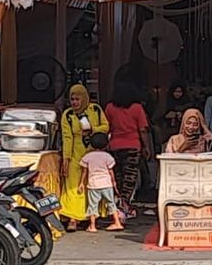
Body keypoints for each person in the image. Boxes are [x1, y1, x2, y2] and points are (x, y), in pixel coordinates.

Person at [60, 84, 110, 231]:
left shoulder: (95, 110)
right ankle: (73, 218)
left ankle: (91, 217)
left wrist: (92, 130)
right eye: (72, 99)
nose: (74, 102)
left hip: (94, 152)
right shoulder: (68, 115)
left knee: (92, 184)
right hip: (76, 153)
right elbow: (67, 138)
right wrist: (66, 159)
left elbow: (106, 127)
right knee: (73, 185)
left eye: (77, 99)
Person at [104, 82, 152, 217]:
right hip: (133, 146)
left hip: (114, 146)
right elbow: (143, 129)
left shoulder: (110, 107)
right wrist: (146, 147)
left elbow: (106, 127)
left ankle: (118, 205)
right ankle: (125, 204)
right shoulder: (137, 108)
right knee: (130, 177)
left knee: (117, 176)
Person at [79, 132, 124, 233]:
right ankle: (117, 222)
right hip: (106, 184)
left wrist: (81, 183)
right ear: (106, 144)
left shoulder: (88, 156)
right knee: (111, 203)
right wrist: (114, 182)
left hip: (93, 184)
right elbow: (111, 171)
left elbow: (84, 171)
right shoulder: (107, 156)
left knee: (93, 205)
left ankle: (92, 226)